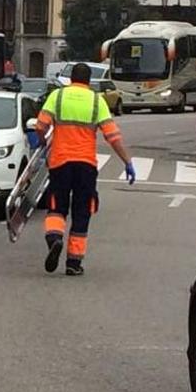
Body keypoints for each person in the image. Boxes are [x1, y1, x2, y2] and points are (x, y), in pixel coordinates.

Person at [35, 63, 135, 277]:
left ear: (71, 78)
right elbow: (113, 137)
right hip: (86, 165)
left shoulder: (58, 97)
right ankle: (73, 263)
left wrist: (43, 143)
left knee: (56, 207)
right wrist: (127, 161)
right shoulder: (97, 101)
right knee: (82, 212)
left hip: (60, 162)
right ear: (89, 81)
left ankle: (54, 238)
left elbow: (40, 126)